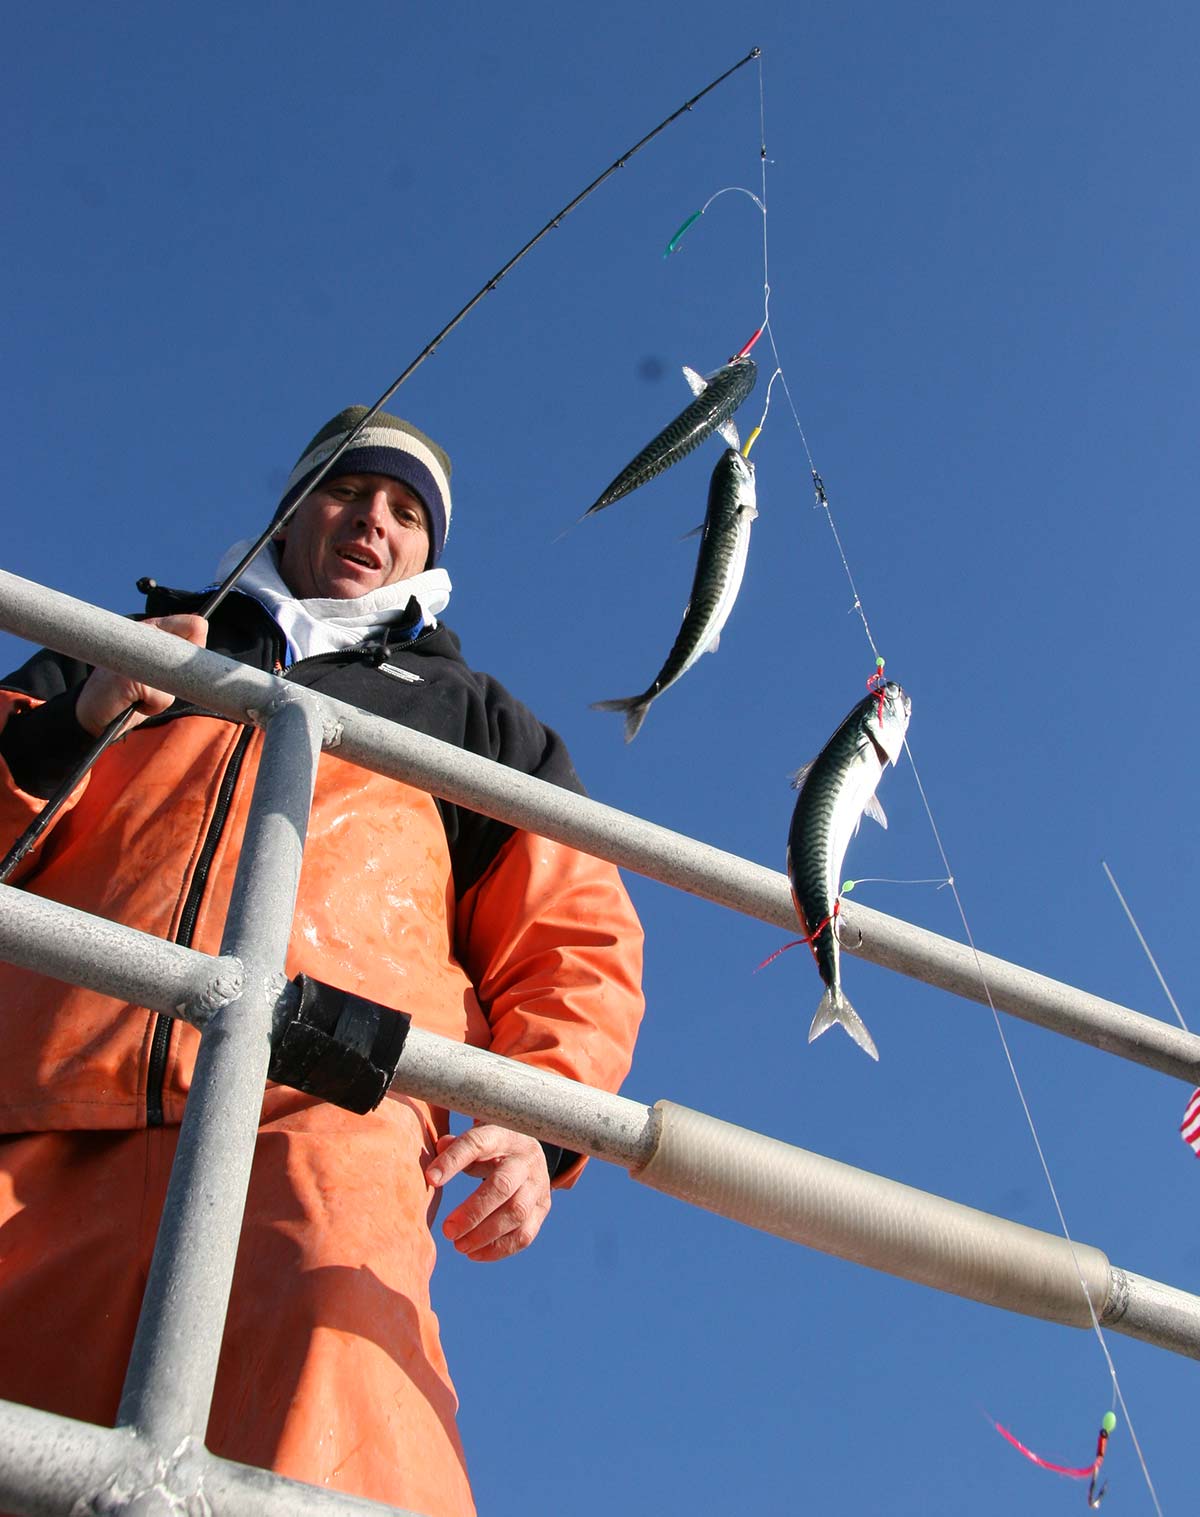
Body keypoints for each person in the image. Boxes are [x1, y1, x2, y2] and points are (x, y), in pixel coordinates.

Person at [0, 407, 645, 1517]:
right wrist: (85, 717)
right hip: (40, 1109)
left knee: (336, 1432)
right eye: (352, 491)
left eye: (407, 512)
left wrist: (539, 1120)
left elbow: (573, 938)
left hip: (322, 1119)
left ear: (429, 554)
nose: (374, 522)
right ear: (295, 509)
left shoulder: (481, 722)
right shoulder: (136, 642)